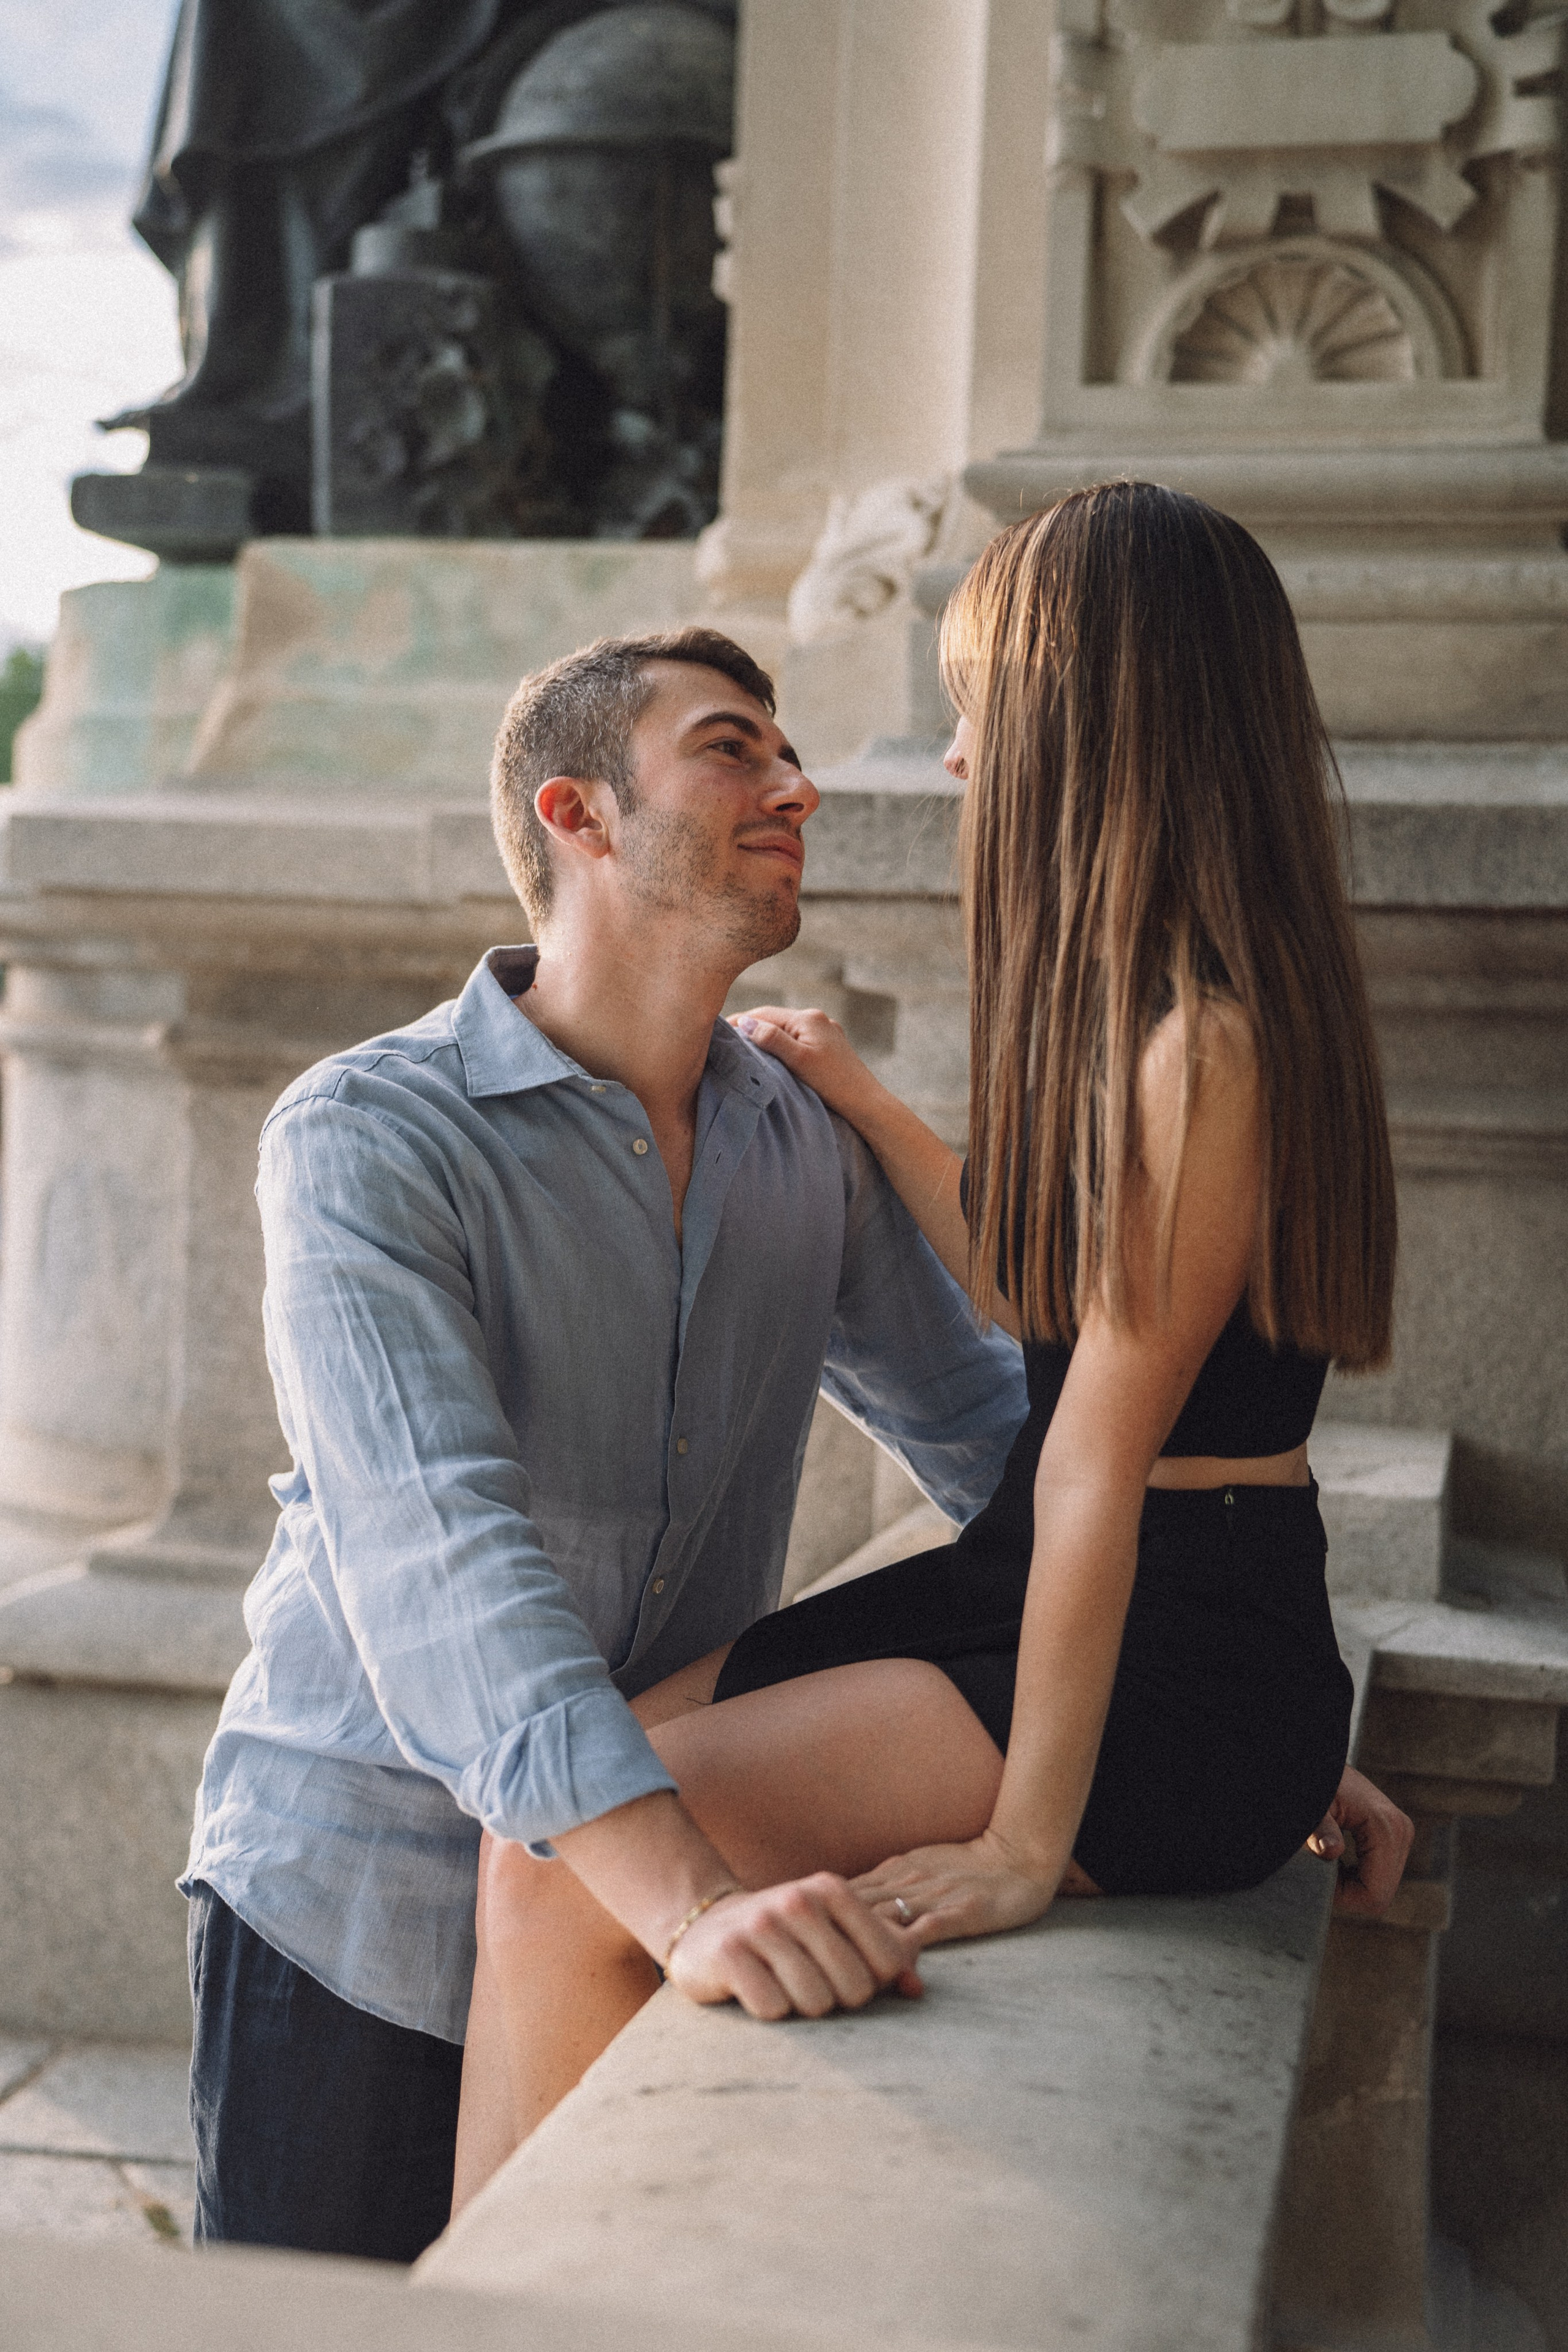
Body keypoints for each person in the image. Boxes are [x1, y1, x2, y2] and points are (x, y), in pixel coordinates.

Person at [455, 483, 1413, 2202]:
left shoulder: (1203, 1046)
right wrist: (854, 1091)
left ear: (1094, 720)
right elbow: (1034, 1301)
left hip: (1179, 1660)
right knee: (586, 1779)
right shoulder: (1156, 1013)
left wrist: (1026, 1848)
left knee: (553, 1863)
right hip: (1145, 1602)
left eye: (985, 709)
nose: (958, 760)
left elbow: (1106, 1466)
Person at [181, 624, 1035, 2264]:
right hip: (360, 1907)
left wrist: (1214, 1711)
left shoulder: (807, 1147)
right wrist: (689, 1901)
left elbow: (996, 1442)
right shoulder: (369, 1136)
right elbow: (440, 1545)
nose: (796, 786)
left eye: (786, 750)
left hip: (625, 1928)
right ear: (576, 815)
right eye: (733, 748)